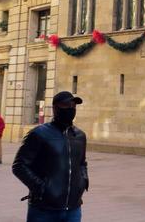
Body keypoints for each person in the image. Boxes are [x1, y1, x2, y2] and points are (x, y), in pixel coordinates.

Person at [12, 91, 88, 222]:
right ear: (55, 108)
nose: (71, 108)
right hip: (44, 210)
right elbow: (19, 165)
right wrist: (41, 188)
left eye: (73, 105)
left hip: (73, 209)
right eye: (66, 105)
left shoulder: (80, 136)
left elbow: (82, 163)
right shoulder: (39, 134)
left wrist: (83, 181)